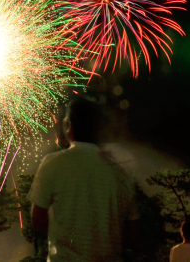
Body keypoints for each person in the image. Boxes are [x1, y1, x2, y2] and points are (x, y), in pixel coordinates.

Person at [29, 96, 140, 262]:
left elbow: (37, 219)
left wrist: (64, 238)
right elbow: (132, 230)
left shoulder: (53, 163)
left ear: (69, 126)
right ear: (98, 129)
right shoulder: (120, 172)